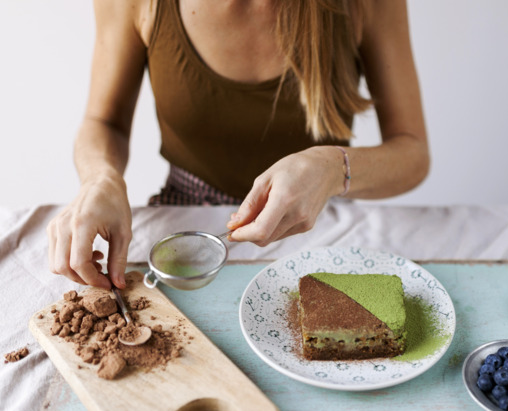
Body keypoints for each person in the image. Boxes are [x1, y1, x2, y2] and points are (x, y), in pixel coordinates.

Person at [47, 0, 429, 291]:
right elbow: (104, 122)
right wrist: (101, 179)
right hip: (185, 228)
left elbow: (412, 152)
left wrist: (332, 169)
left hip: (319, 229)